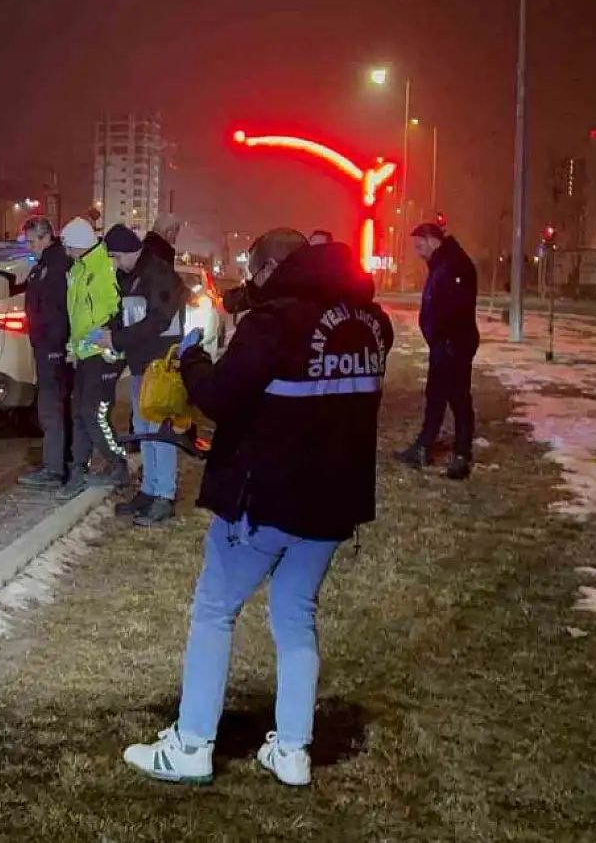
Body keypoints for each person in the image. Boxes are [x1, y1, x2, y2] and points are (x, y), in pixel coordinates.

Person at [122, 230, 393, 788]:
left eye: (253, 269)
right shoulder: (370, 322)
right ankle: (292, 749)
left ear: (272, 269)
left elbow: (220, 398)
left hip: (265, 498)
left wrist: (194, 361)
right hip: (331, 503)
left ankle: (191, 743)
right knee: (296, 618)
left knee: (215, 609)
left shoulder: (274, 325)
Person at [104, 224, 188, 526]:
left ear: (128, 251)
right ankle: (150, 490)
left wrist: (117, 340)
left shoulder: (158, 275)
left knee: (158, 430)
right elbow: (126, 315)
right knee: (144, 427)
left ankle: (164, 495)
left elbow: (158, 320)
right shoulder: (132, 276)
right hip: (143, 364)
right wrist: (110, 334)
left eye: (115, 257)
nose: (114, 263)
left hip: (160, 365)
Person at [397, 222, 479, 480]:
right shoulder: (443, 264)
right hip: (443, 344)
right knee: (436, 396)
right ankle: (423, 446)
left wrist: (443, 338)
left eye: (419, 244)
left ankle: (462, 454)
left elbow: (456, 308)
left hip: (454, 344)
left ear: (432, 239)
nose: (417, 250)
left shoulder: (456, 264)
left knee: (458, 398)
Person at [61, 217, 128, 490]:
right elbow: (77, 316)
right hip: (85, 354)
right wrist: (73, 348)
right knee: (79, 412)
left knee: (94, 413)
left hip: (103, 354)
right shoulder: (78, 269)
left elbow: (114, 312)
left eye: (67, 245)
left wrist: (109, 343)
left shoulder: (105, 268)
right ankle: (79, 466)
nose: (65, 251)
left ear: (78, 244)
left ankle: (118, 463)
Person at [17, 216, 73, 488]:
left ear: (44, 237)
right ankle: (59, 464)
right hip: (48, 346)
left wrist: (54, 345)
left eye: (31, 241)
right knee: (51, 407)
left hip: (53, 348)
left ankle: (55, 468)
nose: (29, 247)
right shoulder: (46, 264)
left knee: (52, 408)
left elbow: (58, 310)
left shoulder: (57, 264)